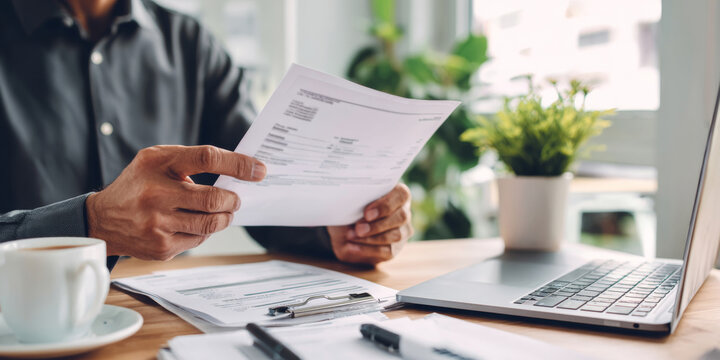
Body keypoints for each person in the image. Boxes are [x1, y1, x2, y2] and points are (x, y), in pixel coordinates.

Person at [0, 0, 413, 270]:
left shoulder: (190, 44)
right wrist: (92, 223)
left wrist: (334, 228)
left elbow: (254, 184)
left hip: (166, 319)